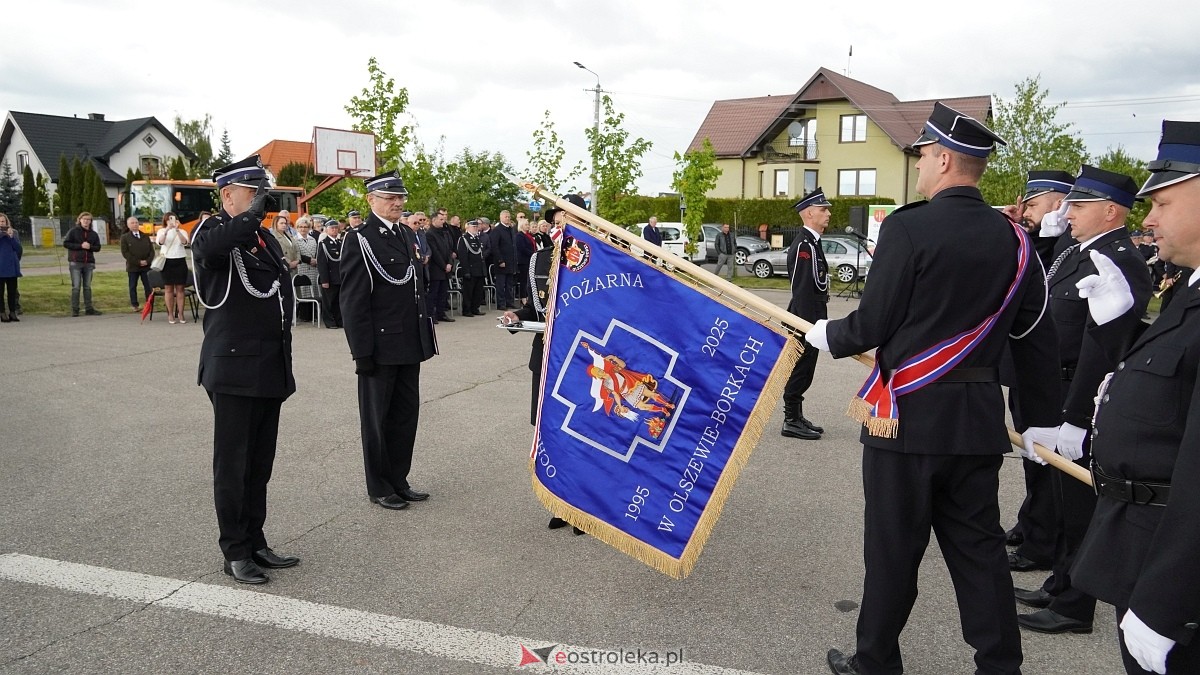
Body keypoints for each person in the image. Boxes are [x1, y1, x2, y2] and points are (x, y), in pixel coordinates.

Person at [810, 102, 1060, 675]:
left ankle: (875, 661)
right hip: (974, 421)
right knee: (980, 551)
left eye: (922, 156)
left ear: (945, 159)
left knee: (893, 551)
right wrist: (1042, 418)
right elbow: (1031, 336)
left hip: (906, 418)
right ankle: (1000, 665)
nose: (919, 166)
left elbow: (872, 324)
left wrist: (829, 335)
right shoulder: (1017, 242)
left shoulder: (908, 226)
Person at [1071, 120, 1200, 675]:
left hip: (1174, 560)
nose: (1146, 219)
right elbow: (1160, 387)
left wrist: (1168, 601)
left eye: (1163, 203)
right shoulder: (1190, 287)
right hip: (1142, 533)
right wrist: (1117, 330)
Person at [1014, 165, 1152, 636]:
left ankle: (1075, 606)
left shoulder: (1120, 259)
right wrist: (1050, 241)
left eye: (1080, 205)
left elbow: (1106, 346)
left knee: (1080, 504)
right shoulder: (1080, 251)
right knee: (1062, 499)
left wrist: (1077, 417)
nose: (1067, 213)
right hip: (1058, 387)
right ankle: (1061, 582)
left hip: (1082, 395)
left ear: (1111, 211)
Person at [190, 155, 299, 585]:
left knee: (259, 462)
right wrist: (251, 217)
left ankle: (255, 539)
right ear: (227, 195)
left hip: (268, 366)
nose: (259, 203)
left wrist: (256, 221)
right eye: (251, 194)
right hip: (233, 368)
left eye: (261, 195)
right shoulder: (212, 232)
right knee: (233, 464)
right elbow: (211, 251)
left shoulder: (264, 240)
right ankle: (233, 549)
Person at [339, 171, 437, 511]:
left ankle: (399, 478)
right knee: (377, 420)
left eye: (400, 198)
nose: (397, 202)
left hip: (408, 342)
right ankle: (379, 485)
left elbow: (414, 289)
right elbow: (353, 301)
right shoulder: (360, 239)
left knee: (404, 416)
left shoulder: (406, 234)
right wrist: (361, 352)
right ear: (371, 200)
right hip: (380, 347)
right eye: (389, 197)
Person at [1003, 170, 1076, 564]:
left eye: (1034, 204)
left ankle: (1042, 540)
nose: (1027, 211)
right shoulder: (1042, 240)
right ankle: (1032, 521)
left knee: (1047, 461)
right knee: (1033, 458)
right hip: (1025, 371)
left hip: (1055, 374)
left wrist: (1051, 237)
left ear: (1059, 202)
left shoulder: (1068, 242)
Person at [502, 198, 583, 535]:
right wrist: (516, 317)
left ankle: (586, 508)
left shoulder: (597, 260)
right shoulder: (540, 258)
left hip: (584, 360)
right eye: (558, 217)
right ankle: (560, 503)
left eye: (569, 217)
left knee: (584, 434)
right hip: (548, 356)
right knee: (552, 434)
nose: (561, 222)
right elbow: (536, 308)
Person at [780, 189, 832, 441]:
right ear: (810, 213)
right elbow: (801, 289)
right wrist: (808, 325)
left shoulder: (812, 243)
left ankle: (797, 416)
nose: (828, 214)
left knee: (807, 367)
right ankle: (790, 420)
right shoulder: (803, 245)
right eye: (824, 210)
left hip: (813, 316)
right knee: (801, 368)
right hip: (804, 317)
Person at [63, 211, 102, 317]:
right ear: (80, 220)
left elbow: (98, 247)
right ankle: (75, 309)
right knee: (76, 287)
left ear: (91, 221)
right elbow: (66, 243)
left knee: (87, 287)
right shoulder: (73, 231)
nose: (86, 221)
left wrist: (90, 247)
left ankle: (89, 308)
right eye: (84, 219)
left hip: (88, 263)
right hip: (76, 262)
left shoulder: (93, 234)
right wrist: (80, 246)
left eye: (88, 219)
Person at [155, 212, 192, 324]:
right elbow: (160, 242)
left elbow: (185, 242)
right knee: (169, 289)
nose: (171, 222)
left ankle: (180, 313)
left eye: (173, 219)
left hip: (180, 260)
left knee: (180, 289)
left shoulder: (182, 231)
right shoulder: (161, 231)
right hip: (167, 261)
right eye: (169, 220)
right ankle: (170, 314)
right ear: (165, 221)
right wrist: (167, 230)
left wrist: (177, 230)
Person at [425, 209, 455, 323]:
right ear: (434, 220)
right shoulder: (430, 234)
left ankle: (441, 313)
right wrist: (444, 265)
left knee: (443, 292)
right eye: (441, 219)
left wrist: (449, 263)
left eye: (444, 219)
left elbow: (448, 249)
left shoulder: (445, 233)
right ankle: (431, 315)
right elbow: (435, 252)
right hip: (436, 268)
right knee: (434, 293)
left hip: (446, 267)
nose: (443, 222)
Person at [119, 217, 154, 312]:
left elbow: (152, 251)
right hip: (133, 267)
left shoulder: (145, 236)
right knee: (132, 286)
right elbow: (125, 253)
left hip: (146, 267)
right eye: (132, 223)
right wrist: (138, 262)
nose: (135, 224)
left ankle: (149, 304)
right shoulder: (125, 238)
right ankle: (135, 305)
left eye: (136, 222)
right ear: (128, 225)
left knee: (148, 286)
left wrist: (147, 261)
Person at [456, 220, 487, 316]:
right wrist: (466, 271)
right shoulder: (464, 239)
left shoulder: (477, 238)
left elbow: (480, 254)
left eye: (476, 227)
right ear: (467, 227)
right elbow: (463, 256)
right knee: (468, 292)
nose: (475, 228)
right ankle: (467, 310)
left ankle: (475, 308)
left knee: (478, 291)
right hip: (470, 269)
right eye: (473, 227)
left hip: (479, 269)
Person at [317, 219, 343, 328]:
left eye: (336, 228)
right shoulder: (324, 244)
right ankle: (329, 321)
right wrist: (324, 280)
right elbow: (322, 263)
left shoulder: (340, 243)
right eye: (332, 228)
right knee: (329, 302)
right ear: (327, 230)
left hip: (339, 277)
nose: (334, 230)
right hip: (330, 277)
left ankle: (339, 320)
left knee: (338, 301)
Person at [294, 217, 320, 321]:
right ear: (297, 228)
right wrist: (309, 260)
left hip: (314, 268)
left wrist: (316, 260)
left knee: (314, 289)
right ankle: (304, 315)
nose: (303, 229)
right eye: (301, 227)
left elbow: (317, 251)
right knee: (304, 291)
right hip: (303, 266)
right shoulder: (295, 239)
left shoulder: (312, 239)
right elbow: (298, 254)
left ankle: (314, 313)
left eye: (305, 227)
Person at [0, 213, 21, 323]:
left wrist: (11, 236)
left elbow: (18, 248)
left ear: (7, 222)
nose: (1, 224)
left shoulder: (14, 232)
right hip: (0, 266)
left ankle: (12, 312)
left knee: (12, 291)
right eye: (0, 222)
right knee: (0, 292)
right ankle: (2, 313)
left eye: (3, 221)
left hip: (12, 266)